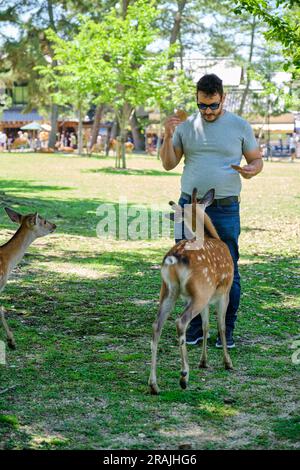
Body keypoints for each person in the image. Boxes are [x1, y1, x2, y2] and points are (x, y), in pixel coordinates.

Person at [160, 73, 263, 348]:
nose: (207, 111)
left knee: (229, 269)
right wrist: (167, 136)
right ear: (197, 99)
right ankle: (194, 327)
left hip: (225, 209)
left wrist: (252, 170)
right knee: (189, 265)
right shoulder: (185, 126)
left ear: (222, 98)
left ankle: (225, 331)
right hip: (189, 208)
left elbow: (256, 160)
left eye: (213, 105)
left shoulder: (240, 126)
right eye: (202, 105)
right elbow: (169, 164)